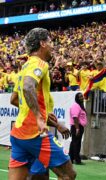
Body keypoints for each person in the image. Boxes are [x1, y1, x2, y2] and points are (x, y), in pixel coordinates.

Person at [8, 28, 76, 180]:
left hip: (18, 134)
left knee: (39, 176)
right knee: (69, 175)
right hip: (35, 134)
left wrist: (55, 123)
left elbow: (14, 99)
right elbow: (28, 87)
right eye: (51, 42)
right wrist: (39, 117)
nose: (53, 46)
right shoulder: (40, 63)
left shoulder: (24, 67)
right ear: (42, 43)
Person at [69, 92, 87, 165]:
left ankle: (71, 159)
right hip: (76, 127)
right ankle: (77, 160)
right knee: (76, 143)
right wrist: (77, 129)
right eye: (80, 97)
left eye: (82, 96)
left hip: (79, 126)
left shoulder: (80, 106)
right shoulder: (76, 106)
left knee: (75, 142)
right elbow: (75, 117)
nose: (82, 98)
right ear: (76, 98)